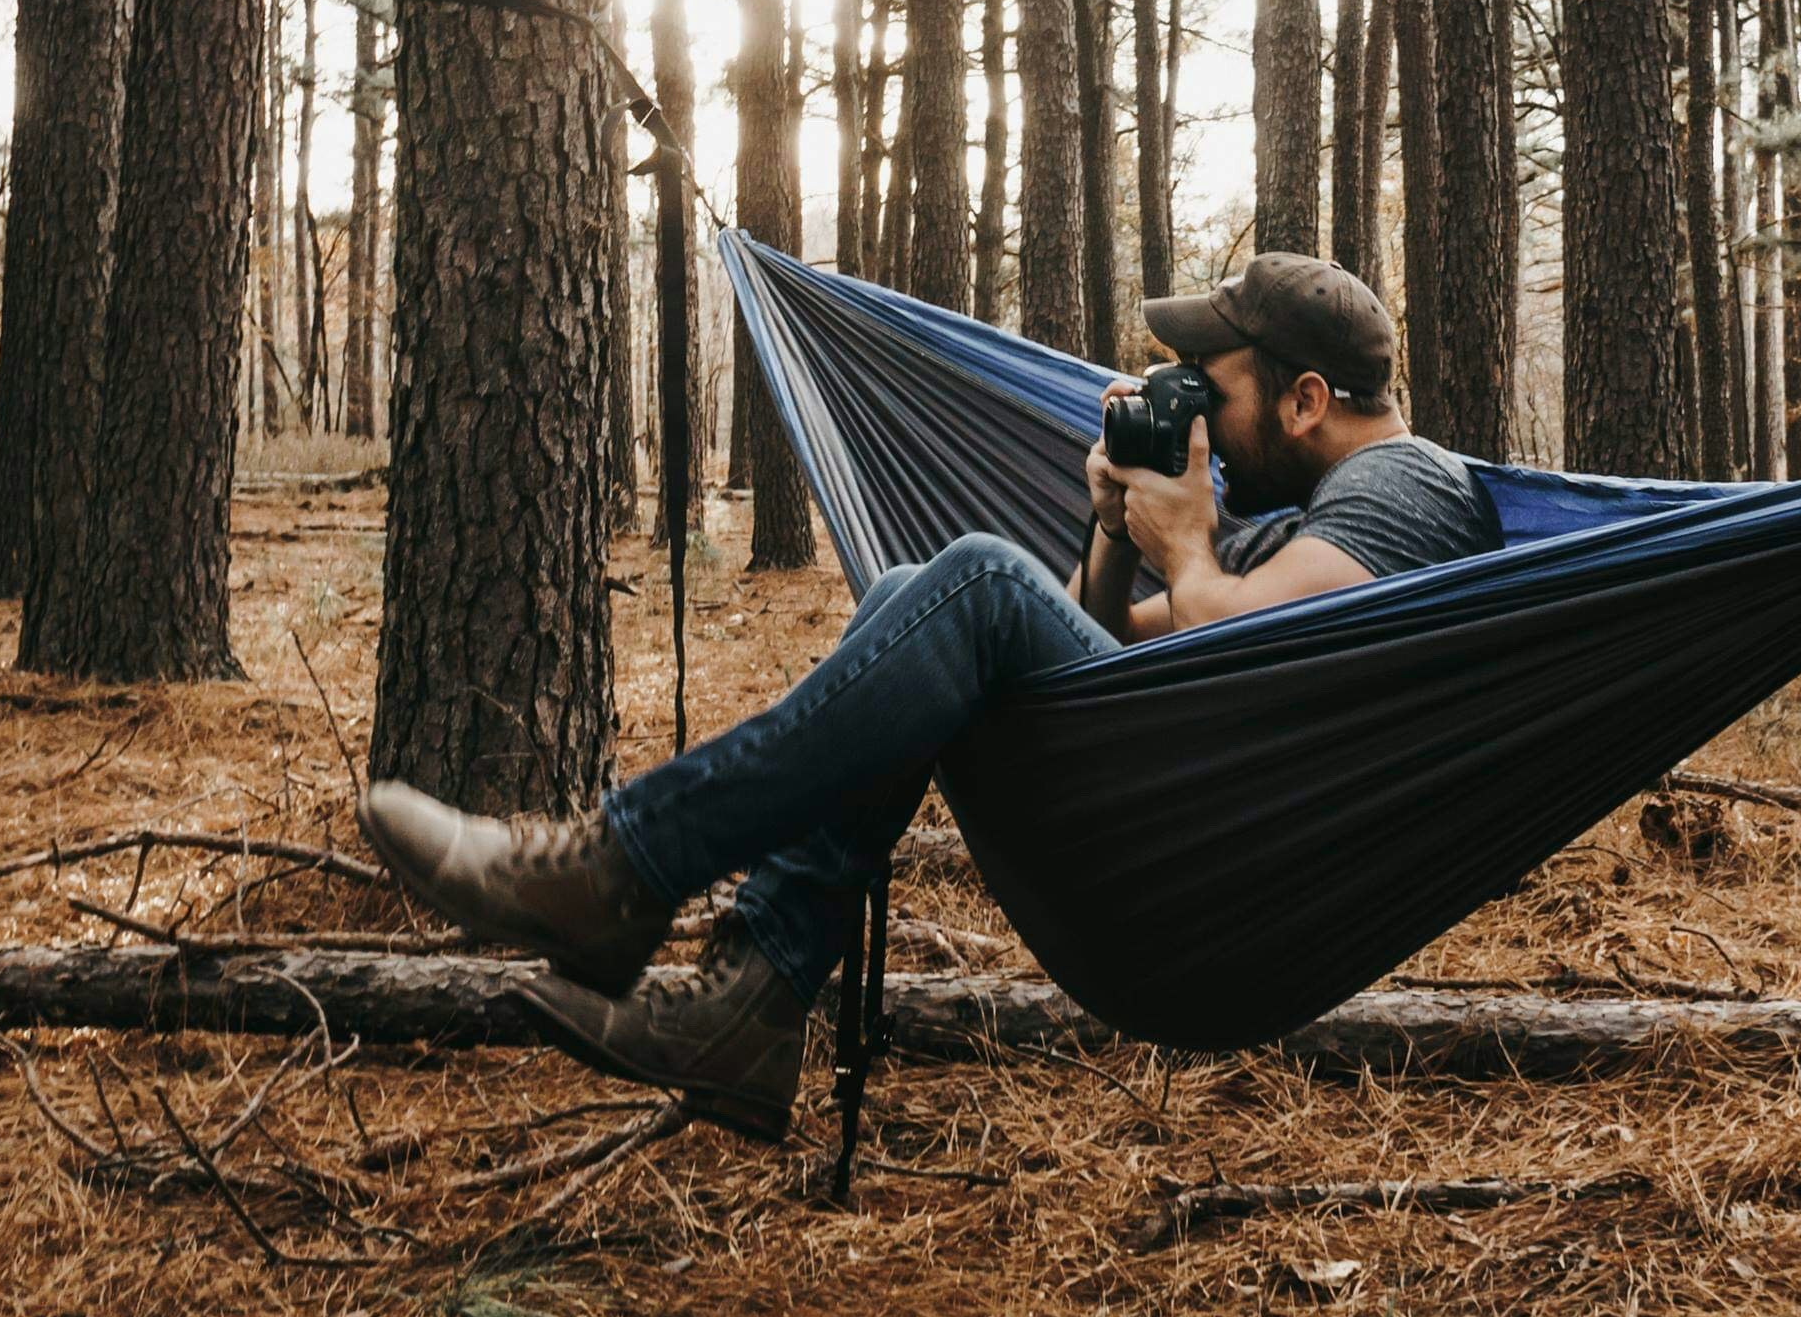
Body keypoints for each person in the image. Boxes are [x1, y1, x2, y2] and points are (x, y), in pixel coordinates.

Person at [359, 253, 1501, 1138]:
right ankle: (749, 1000)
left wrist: (1192, 546)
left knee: (975, 581)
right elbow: (1116, 645)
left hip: (1231, 851)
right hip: (1170, 797)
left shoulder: (1411, 484)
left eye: (1211, 385)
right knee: (925, 586)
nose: (1187, 406)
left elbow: (1279, 642)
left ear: (1305, 400)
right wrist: (1114, 535)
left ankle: (620, 871)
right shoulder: (1301, 519)